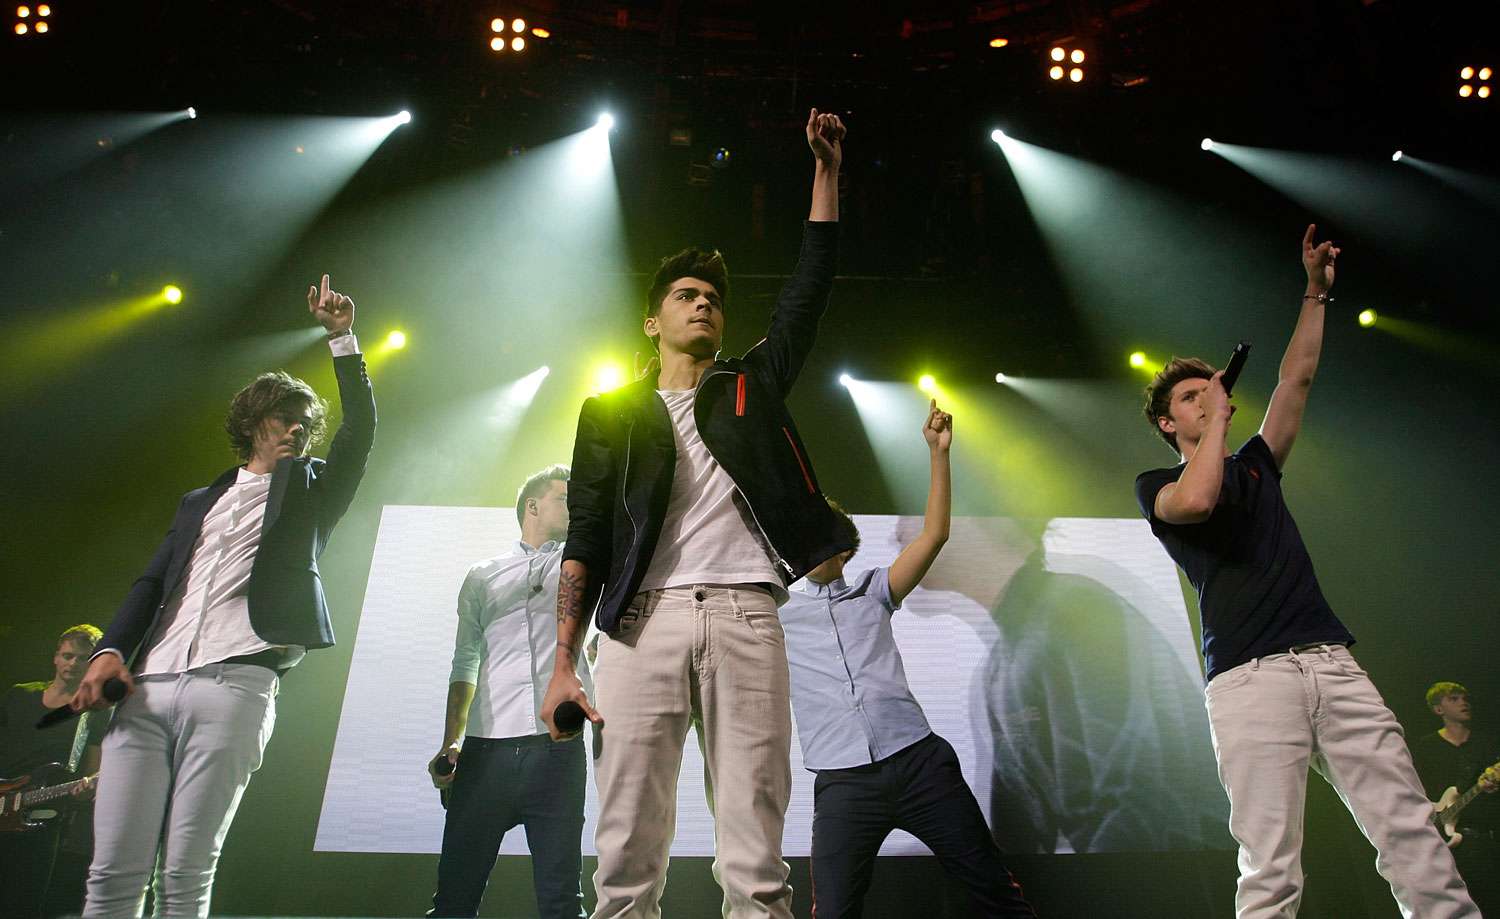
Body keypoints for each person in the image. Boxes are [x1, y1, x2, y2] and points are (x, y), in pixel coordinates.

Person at [540, 109, 850, 919]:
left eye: (714, 296)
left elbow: (807, 293)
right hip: (641, 623)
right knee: (625, 847)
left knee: (755, 849)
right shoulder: (611, 410)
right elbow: (586, 532)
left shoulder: (750, 384)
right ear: (653, 320)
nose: (704, 303)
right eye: (686, 294)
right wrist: (564, 659)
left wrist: (825, 171)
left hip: (748, 612)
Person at [1134, 226, 1478, 918]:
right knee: (1271, 867)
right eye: (1192, 399)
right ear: (1169, 425)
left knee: (1413, 836)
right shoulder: (1156, 485)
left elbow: (1297, 377)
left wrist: (1316, 292)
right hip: (1249, 680)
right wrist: (1223, 420)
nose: (1210, 400)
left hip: (1333, 665)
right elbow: (1200, 498)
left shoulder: (1259, 463)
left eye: (1214, 390)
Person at [72, 274, 376, 917]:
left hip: (236, 684)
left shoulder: (313, 493)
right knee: (111, 874)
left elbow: (362, 433)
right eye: (281, 417)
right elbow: (152, 583)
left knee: (186, 873)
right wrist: (111, 649)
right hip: (148, 686)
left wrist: (343, 339)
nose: (294, 428)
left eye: (302, 421)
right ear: (252, 422)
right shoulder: (199, 500)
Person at [779, 402, 1037, 918]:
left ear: (844, 549)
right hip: (843, 782)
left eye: (823, 535)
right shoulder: (776, 611)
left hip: (920, 764)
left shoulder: (875, 591)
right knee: (832, 911)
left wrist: (938, 454)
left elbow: (934, 535)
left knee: (994, 891)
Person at [426, 465, 590, 919]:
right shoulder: (483, 575)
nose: (576, 507)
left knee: (562, 900)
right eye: (565, 498)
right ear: (533, 506)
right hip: (485, 754)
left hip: (556, 751)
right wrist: (452, 741)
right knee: (454, 897)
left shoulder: (582, 564)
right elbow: (465, 660)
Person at [0, 625, 107, 919]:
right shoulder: (20, 695)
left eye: (82, 658)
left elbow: (94, 773)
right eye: (68, 655)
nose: (73, 663)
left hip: (42, 818)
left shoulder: (93, 713)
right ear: (56, 658)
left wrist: (85, 790)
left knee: (21, 902)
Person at [1410, 682, 1500, 914]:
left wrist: (1491, 785)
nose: (1463, 702)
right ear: (1438, 709)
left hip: (1487, 838)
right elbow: (1417, 790)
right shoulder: (1427, 747)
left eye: (1464, 697)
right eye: (1454, 698)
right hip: (1449, 847)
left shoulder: (1484, 742)